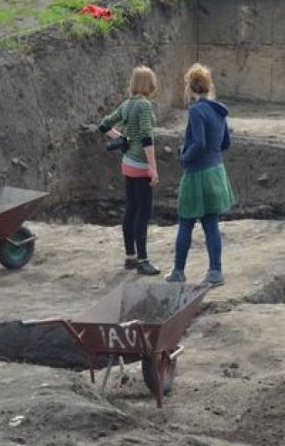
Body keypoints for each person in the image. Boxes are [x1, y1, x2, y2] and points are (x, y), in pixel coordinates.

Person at [166, 64, 235, 286]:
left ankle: (178, 271)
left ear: (190, 88)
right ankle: (216, 272)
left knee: (186, 222)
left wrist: (184, 156)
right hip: (216, 172)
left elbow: (199, 143)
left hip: (197, 174)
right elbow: (225, 143)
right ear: (209, 86)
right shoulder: (219, 111)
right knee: (211, 224)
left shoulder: (196, 111)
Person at [98, 65, 161, 275]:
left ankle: (130, 257)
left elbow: (104, 125)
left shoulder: (127, 104)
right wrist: (153, 167)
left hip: (127, 164)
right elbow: (146, 137)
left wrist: (121, 138)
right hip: (141, 165)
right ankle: (143, 260)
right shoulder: (144, 106)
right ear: (150, 85)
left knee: (131, 210)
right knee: (143, 213)